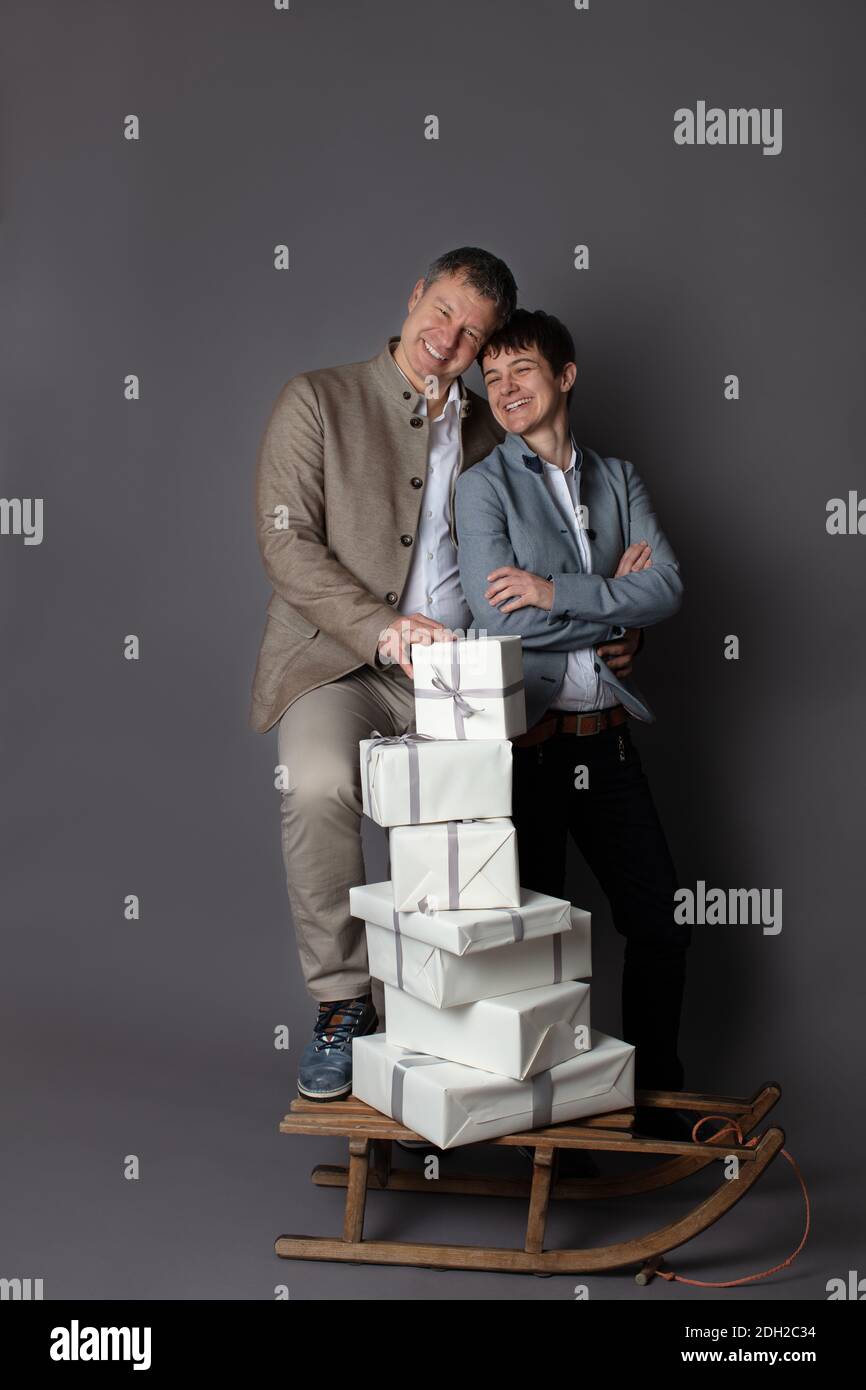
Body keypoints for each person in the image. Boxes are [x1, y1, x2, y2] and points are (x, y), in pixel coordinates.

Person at [250, 248, 518, 1100]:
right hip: (339, 663)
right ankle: (342, 1004)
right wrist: (385, 629)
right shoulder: (317, 398)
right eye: (441, 313)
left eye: (472, 334)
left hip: (460, 674)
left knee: (493, 810)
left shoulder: (490, 426)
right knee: (320, 782)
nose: (448, 340)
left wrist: (609, 625)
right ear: (413, 296)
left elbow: (538, 544)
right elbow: (286, 545)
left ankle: (475, 1017)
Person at [455, 309, 692, 1140]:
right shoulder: (482, 484)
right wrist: (616, 617)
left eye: (521, 370)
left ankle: (656, 1106)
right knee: (541, 955)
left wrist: (557, 593)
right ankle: (555, 1131)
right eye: (492, 378)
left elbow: (669, 586)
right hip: (531, 750)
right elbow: (495, 620)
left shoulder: (618, 479)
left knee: (662, 923)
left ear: (565, 375)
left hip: (610, 744)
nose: (505, 389)